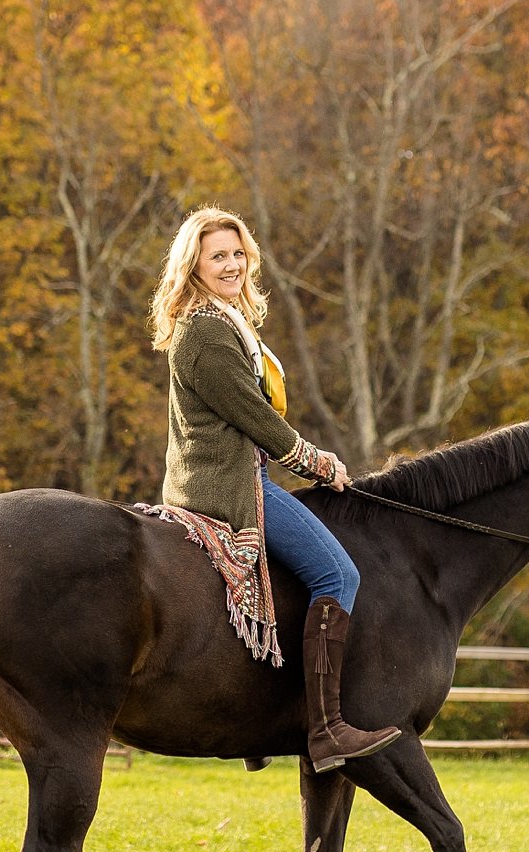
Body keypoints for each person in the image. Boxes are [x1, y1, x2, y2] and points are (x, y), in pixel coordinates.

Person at [149, 207, 400, 771]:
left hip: (242, 473)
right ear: (194, 266)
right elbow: (254, 418)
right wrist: (316, 462)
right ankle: (327, 729)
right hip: (226, 486)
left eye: (238, 254)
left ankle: (260, 715)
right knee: (340, 575)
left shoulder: (229, 320)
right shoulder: (206, 331)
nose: (232, 264)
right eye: (218, 256)